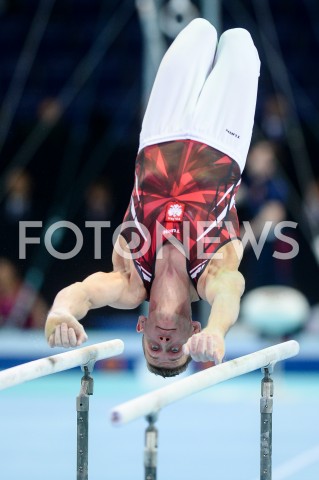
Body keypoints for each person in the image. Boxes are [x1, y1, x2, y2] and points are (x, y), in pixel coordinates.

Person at [45, 18, 260, 377]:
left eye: (155, 347)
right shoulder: (211, 275)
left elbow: (83, 292)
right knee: (240, 42)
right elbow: (229, 294)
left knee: (199, 31)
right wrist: (217, 331)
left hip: (161, 132)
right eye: (173, 348)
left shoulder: (129, 281)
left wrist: (60, 313)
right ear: (192, 333)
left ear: (140, 329)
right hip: (222, 142)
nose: (163, 341)